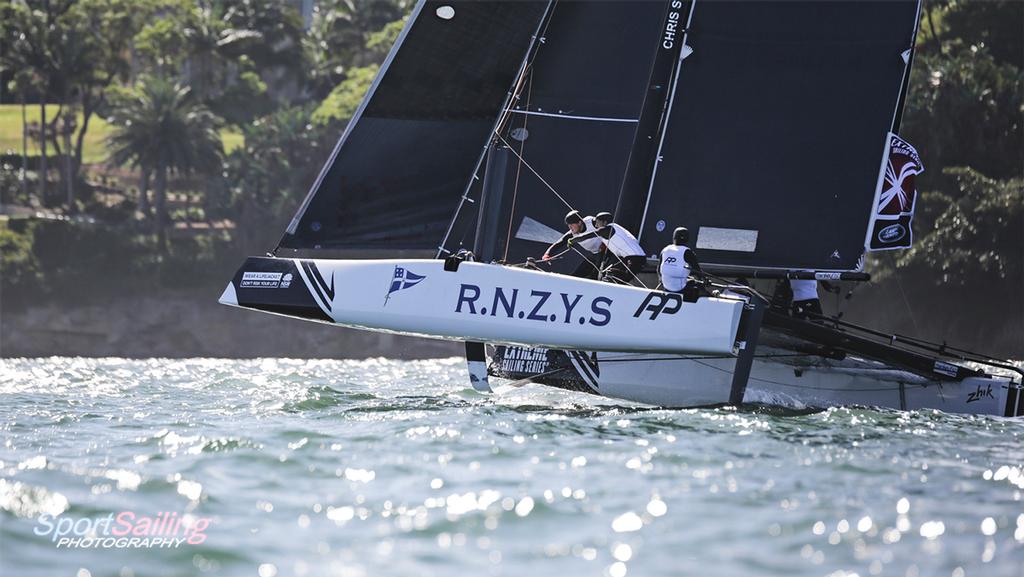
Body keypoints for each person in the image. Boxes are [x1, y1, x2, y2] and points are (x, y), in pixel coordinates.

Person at [542, 210, 605, 279]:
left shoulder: (592, 222)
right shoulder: (572, 233)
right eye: (569, 225)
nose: (570, 228)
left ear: (580, 222)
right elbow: (559, 243)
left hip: (608, 253)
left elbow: (608, 224)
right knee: (576, 276)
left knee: (595, 275)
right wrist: (547, 255)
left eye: (572, 225)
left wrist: (605, 244)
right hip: (595, 255)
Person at [588, 212, 647, 284]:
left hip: (636, 258)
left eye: (598, 223)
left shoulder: (609, 229)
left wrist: (572, 240)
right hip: (627, 257)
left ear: (605, 222)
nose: (596, 225)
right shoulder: (615, 228)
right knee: (610, 273)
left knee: (624, 279)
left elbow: (588, 236)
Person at [658, 226, 702, 292]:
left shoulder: (665, 249)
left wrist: (660, 279)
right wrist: (705, 279)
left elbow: (658, 269)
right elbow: (697, 270)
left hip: (666, 287)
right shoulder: (687, 252)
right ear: (687, 239)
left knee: (691, 279)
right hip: (680, 288)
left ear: (674, 237)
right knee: (699, 285)